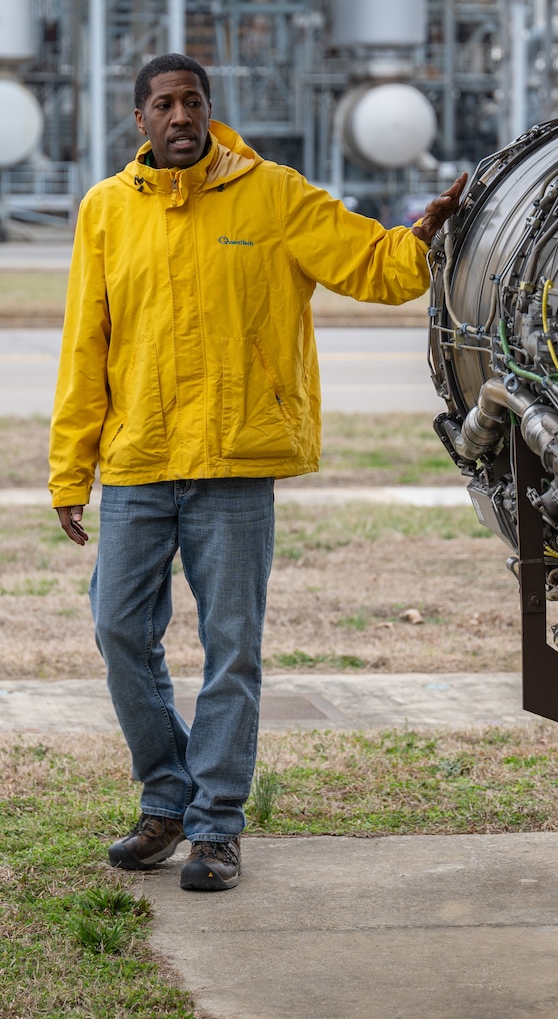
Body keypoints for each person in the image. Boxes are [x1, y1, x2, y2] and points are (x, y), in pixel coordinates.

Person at [50, 53, 464, 892]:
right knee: (119, 631)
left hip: (236, 465)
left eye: (192, 102)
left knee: (231, 649)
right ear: (140, 121)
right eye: (163, 104)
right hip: (137, 464)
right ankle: (166, 797)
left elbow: (373, 265)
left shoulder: (272, 193)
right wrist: (71, 469)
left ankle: (214, 826)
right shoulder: (105, 212)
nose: (179, 116)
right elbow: (83, 346)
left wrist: (428, 233)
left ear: (209, 110)